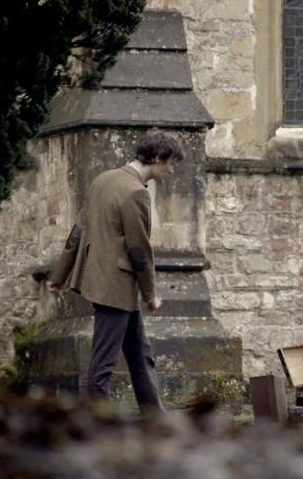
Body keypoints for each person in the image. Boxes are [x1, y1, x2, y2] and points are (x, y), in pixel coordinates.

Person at [47, 130, 184, 413]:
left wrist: (59, 275)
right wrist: (151, 295)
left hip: (107, 284)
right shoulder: (136, 193)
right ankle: (94, 421)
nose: (172, 170)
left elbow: (77, 231)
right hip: (115, 286)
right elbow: (139, 250)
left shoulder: (103, 180)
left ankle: (154, 416)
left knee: (140, 355)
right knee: (103, 363)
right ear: (157, 158)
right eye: (171, 163)